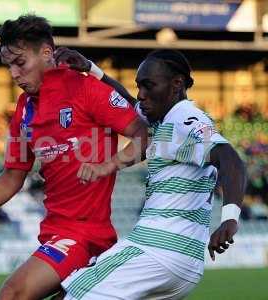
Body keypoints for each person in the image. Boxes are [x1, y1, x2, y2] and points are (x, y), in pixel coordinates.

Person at [0, 15, 147, 300]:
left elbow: (145, 135)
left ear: (47, 53)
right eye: (9, 66)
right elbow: (11, 176)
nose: (14, 74)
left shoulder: (86, 89)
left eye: (20, 63)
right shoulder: (24, 108)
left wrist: (109, 164)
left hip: (85, 234)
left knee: (12, 295)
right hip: (54, 232)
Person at [54, 48, 246, 299]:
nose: (141, 94)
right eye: (139, 86)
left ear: (177, 84)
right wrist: (91, 68)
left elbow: (231, 160)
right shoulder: (164, 118)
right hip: (181, 262)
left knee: (70, 295)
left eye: (148, 86)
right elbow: (126, 100)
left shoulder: (185, 119)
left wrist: (229, 219)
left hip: (157, 250)